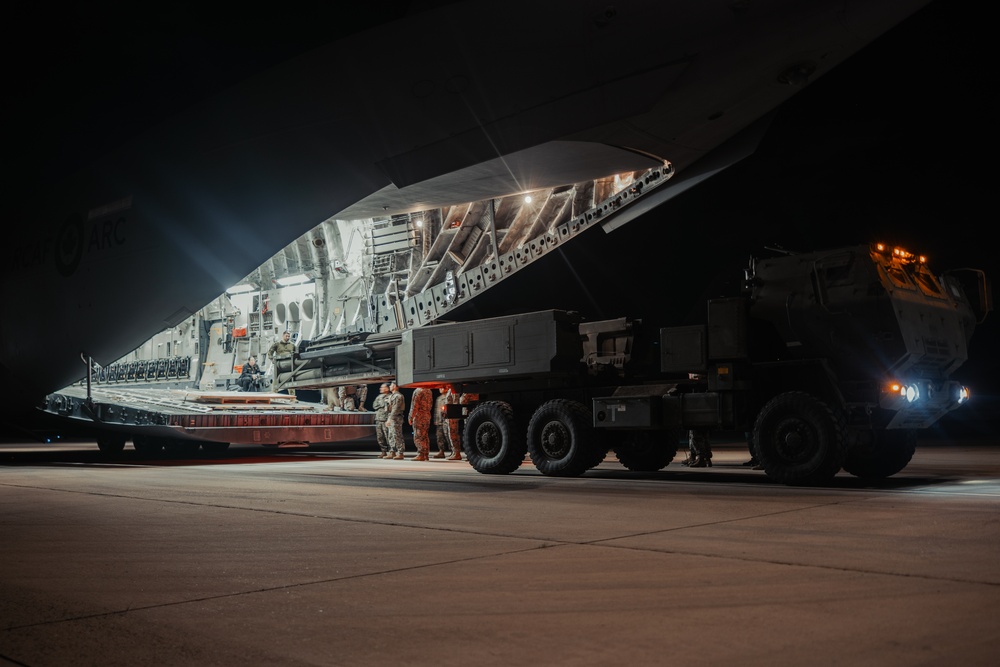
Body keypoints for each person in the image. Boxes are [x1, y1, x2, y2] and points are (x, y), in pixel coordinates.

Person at [267, 331, 297, 395]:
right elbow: (270, 352)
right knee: (276, 379)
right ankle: (274, 394)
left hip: (289, 364)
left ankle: (292, 396)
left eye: (289, 336)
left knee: (290, 379)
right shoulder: (277, 344)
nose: (288, 337)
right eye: (286, 336)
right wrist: (272, 359)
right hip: (279, 364)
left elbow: (296, 353)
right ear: (283, 336)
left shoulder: (292, 345)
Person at [432, 386, 458, 458]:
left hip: (446, 420)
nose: (440, 389)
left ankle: (453, 451)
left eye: (442, 387)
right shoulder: (439, 398)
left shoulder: (449, 396)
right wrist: (436, 420)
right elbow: (436, 410)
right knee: (439, 436)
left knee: (448, 436)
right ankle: (441, 451)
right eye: (440, 388)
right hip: (439, 420)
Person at [408, 386, 433, 461]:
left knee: (418, 435)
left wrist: (411, 417)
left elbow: (414, 405)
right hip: (427, 415)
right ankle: (426, 454)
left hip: (420, 415)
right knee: (425, 435)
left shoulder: (418, 391)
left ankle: (420, 454)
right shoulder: (429, 390)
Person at [385, 381, 406, 460]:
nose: (389, 386)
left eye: (391, 385)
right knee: (391, 435)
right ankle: (392, 451)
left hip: (396, 418)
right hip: (391, 417)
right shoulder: (392, 396)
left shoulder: (398, 396)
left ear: (395, 386)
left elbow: (395, 408)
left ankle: (400, 453)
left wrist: (390, 419)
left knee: (397, 435)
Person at [371, 383, 391, 458]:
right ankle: (383, 451)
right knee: (380, 437)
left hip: (386, 419)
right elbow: (374, 406)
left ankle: (391, 451)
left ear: (387, 388)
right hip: (378, 418)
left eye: (382, 387)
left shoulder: (390, 397)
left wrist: (381, 404)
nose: (380, 388)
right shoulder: (379, 396)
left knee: (388, 436)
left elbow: (385, 406)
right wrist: (381, 404)